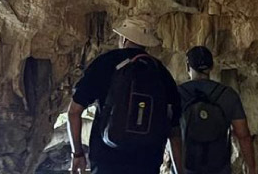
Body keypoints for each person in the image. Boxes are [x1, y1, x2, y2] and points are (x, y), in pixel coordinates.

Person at [67, 17, 184, 174]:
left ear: (124, 38)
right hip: (147, 163)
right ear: (145, 43)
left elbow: (74, 112)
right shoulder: (160, 72)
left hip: (107, 162)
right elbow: (174, 131)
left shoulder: (105, 63)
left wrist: (78, 154)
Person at [179, 46, 258, 174]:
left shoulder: (178, 94)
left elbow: (171, 135)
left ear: (188, 66)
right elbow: (243, 136)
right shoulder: (228, 95)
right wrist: (252, 168)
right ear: (211, 67)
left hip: (188, 167)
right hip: (220, 168)